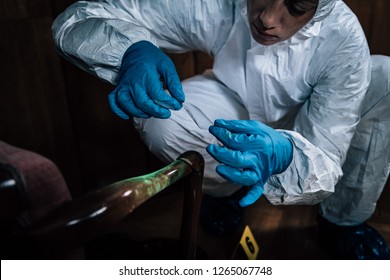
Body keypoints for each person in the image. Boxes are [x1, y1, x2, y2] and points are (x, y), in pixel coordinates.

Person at [52, 0, 390, 259]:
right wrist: (130, 49)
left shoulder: (342, 38)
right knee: (161, 122)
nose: (268, 18)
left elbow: (328, 153)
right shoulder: (224, 3)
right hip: (234, 98)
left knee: (385, 77)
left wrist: (289, 153)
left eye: (296, 6)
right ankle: (224, 193)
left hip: (310, 122)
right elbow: (81, 16)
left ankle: (343, 220)